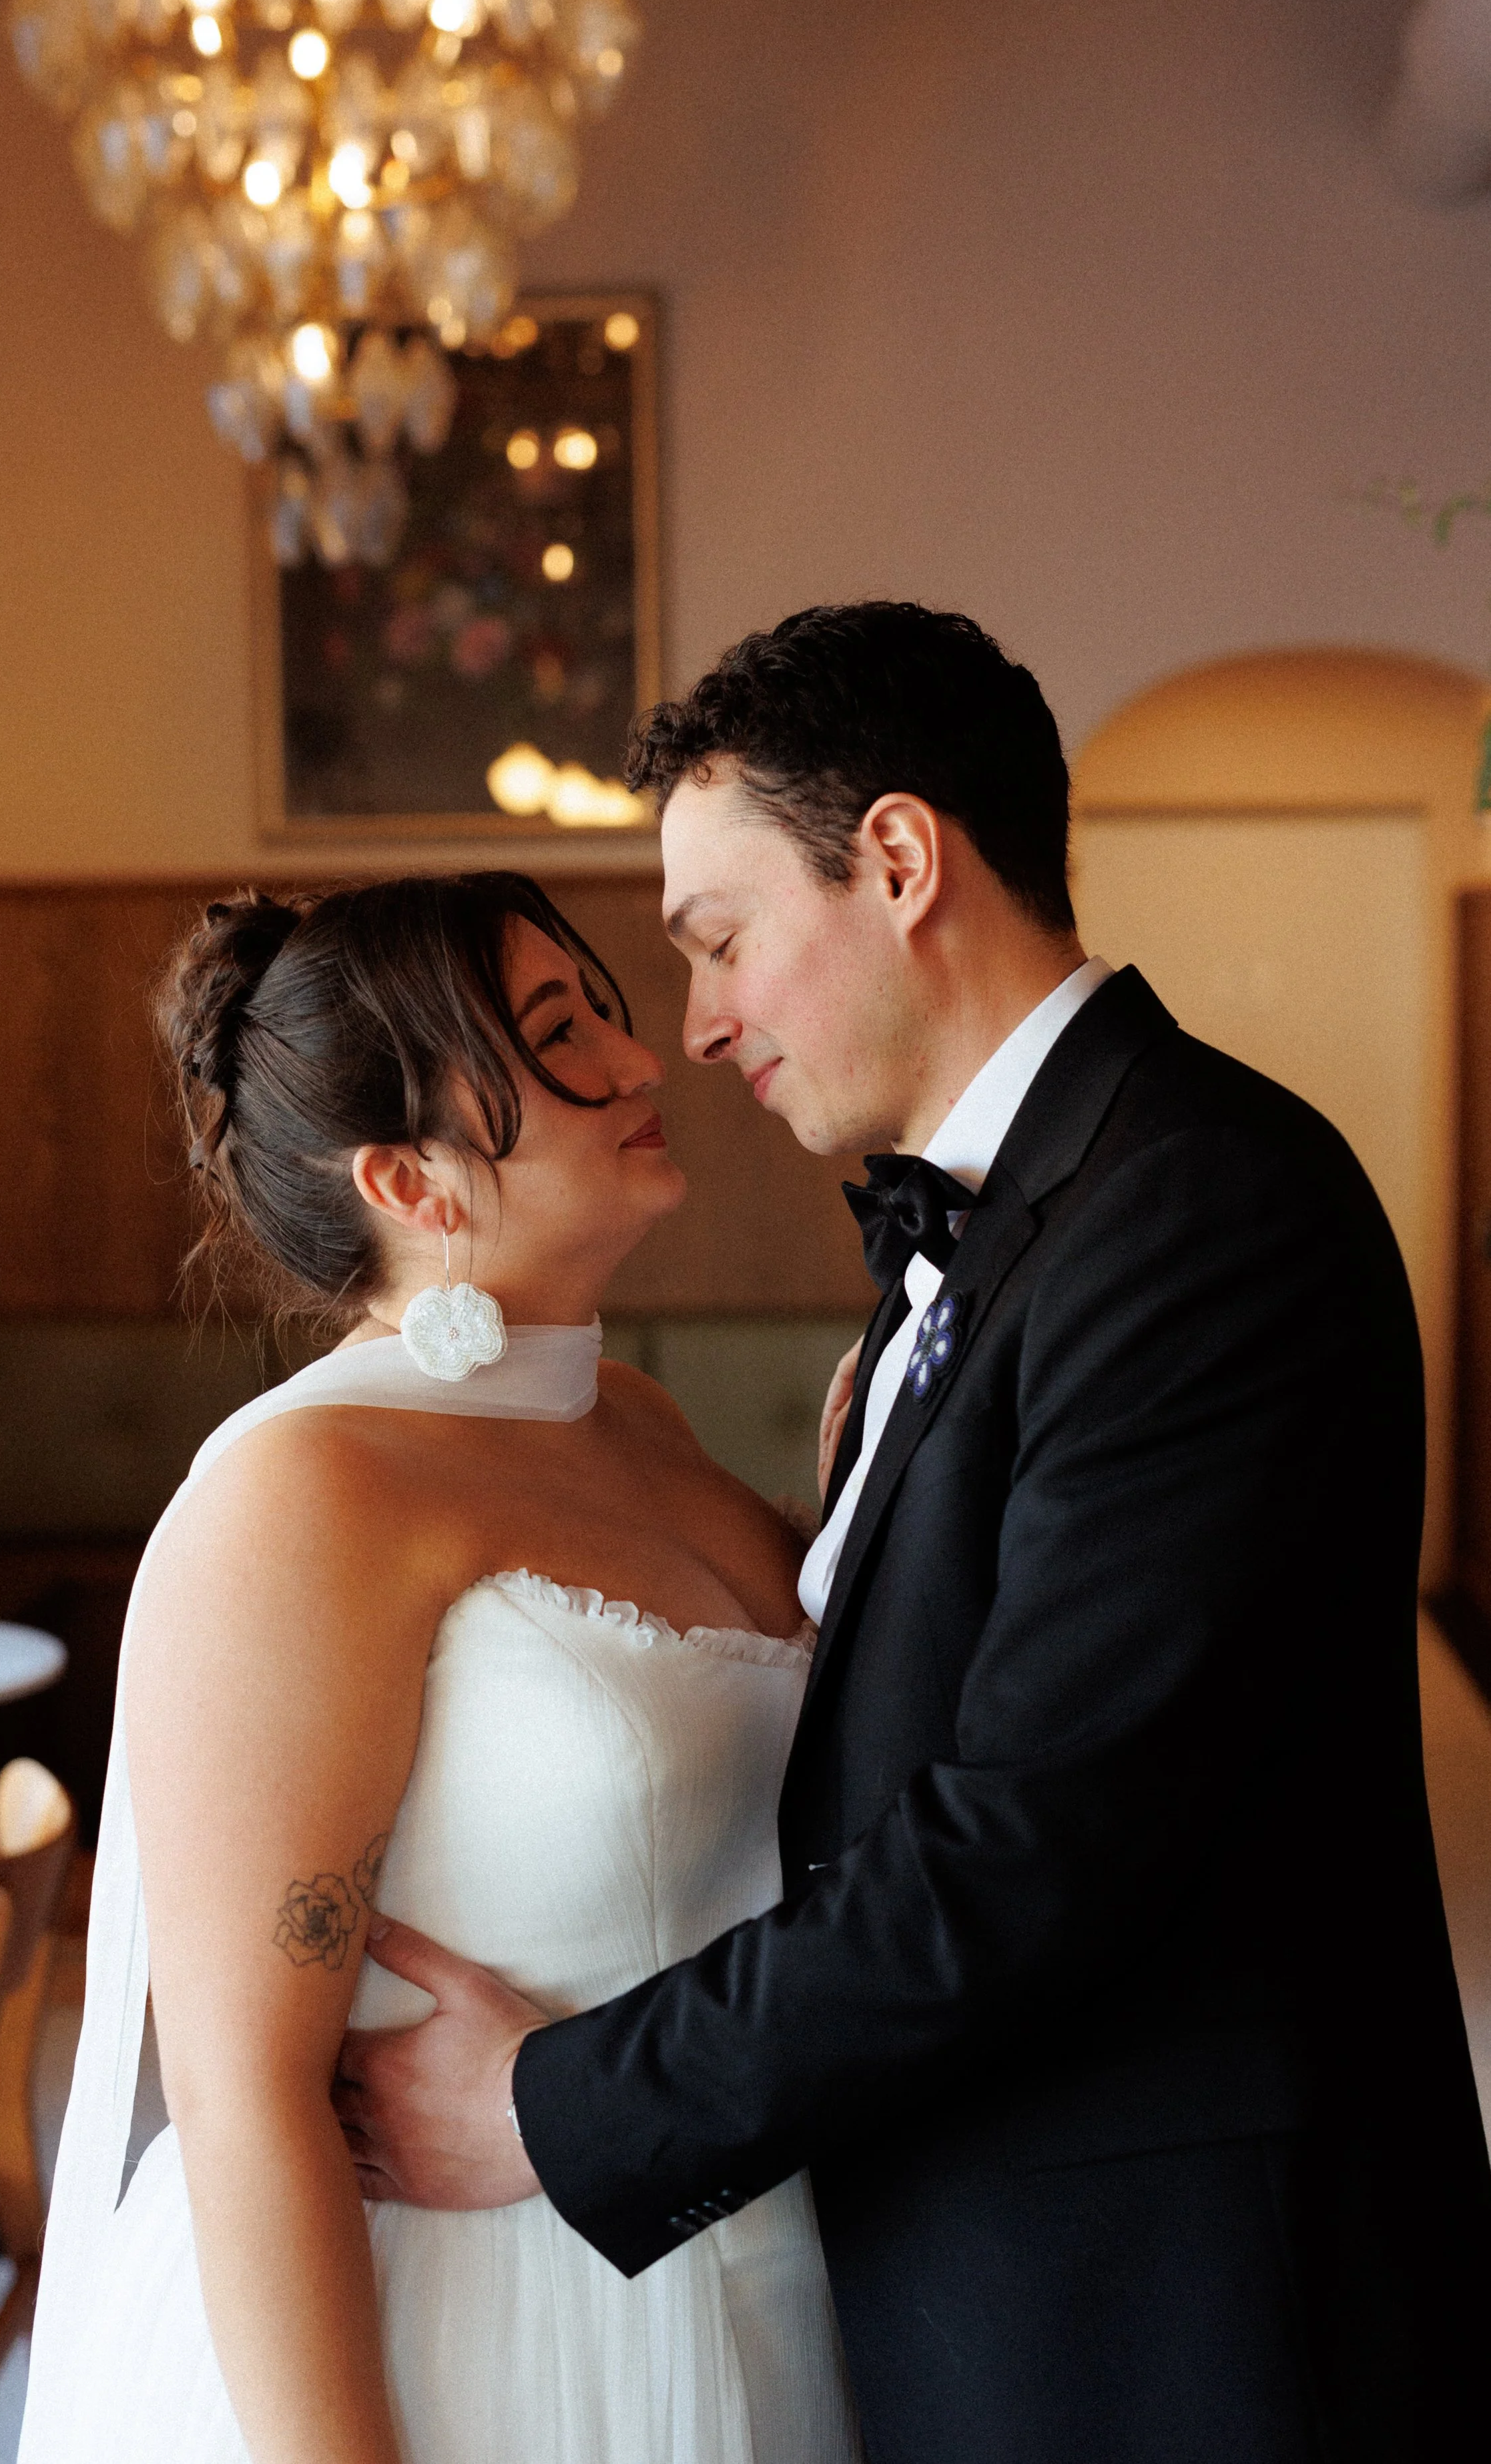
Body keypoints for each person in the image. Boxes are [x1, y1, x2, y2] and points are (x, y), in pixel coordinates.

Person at [339, 604, 1491, 2464]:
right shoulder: (983, 1230)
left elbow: (1028, 1843)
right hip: (985, 2259)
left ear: (894, 857)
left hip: (1177, 2315)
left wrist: (559, 2109)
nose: (698, 1024)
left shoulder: (1194, 1210)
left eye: (716, 940)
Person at [16, 873, 862, 2464]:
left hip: (728, 2237)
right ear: (407, 1179)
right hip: (473, 2330)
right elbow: (241, 2093)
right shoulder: (303, 1495)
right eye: (559, 1036)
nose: (640, 1060)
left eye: (601, 1013)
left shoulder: (639, 1421)